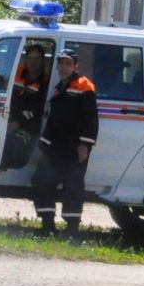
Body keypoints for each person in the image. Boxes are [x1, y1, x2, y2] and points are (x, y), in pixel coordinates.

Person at [32, 46, 98, 236]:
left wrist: (85, 145)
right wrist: (42, 147)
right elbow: (53, 122)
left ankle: (72, 230)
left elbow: (91, 120)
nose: (64, 67)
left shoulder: (85, 86)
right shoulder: (60, 88)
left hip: (74, 149)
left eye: (68, 64)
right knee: (41, 180)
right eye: (61, 64)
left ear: (76, 66)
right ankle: (47, 226)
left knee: (73, 188)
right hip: (55, 149)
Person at [3, 42, 51, 171]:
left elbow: (36, 110)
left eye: (37, 59)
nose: (33, 62)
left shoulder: (45, 83)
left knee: (14, 141)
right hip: (11, 118)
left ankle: (6, 173)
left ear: (43, 61)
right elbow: (11, 100)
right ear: (25, 59)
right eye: (30, 58)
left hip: (30, 125)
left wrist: (16, 123)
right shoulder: (17, 75)